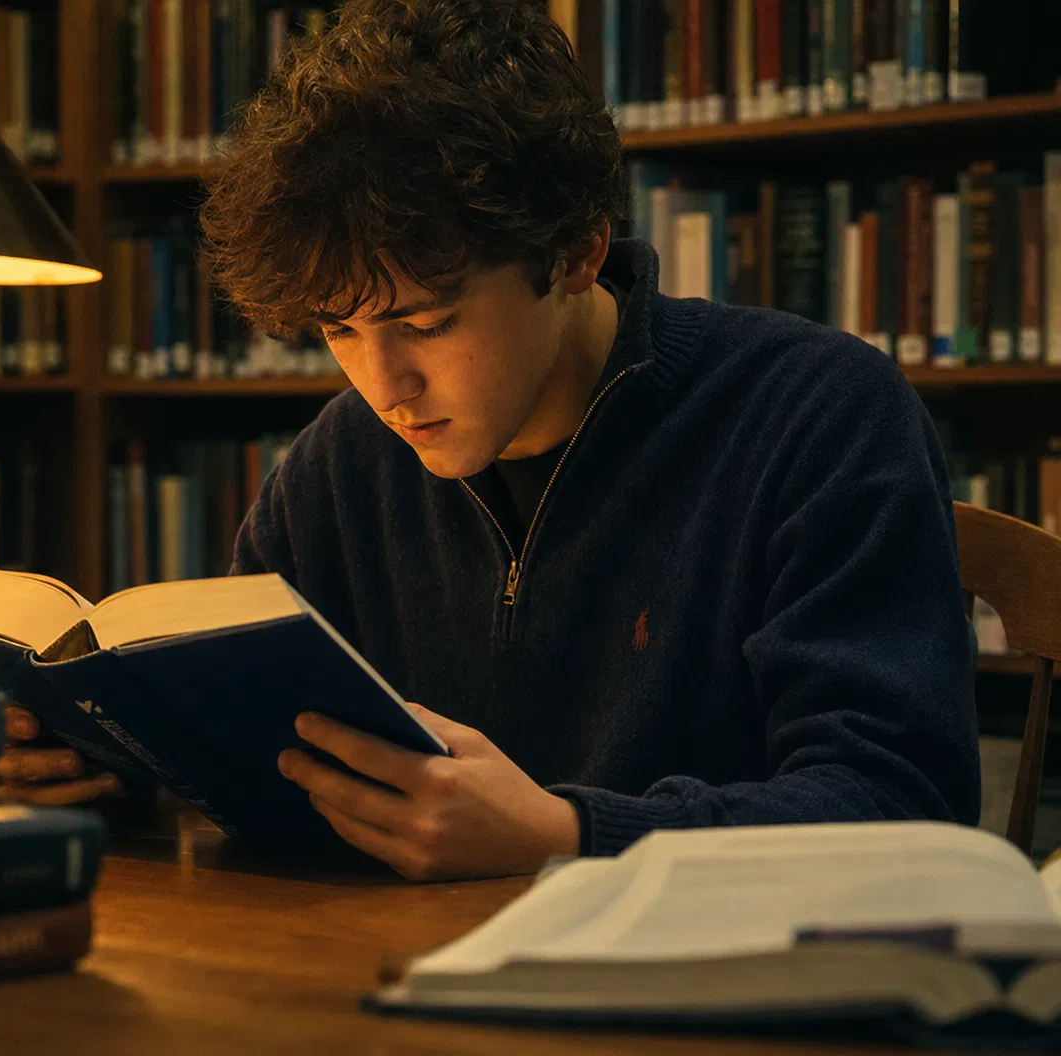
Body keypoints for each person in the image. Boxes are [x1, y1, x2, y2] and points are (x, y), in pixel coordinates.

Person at [187, 0, 979, 882]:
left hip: (717, 994)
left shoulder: (816, 415)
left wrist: (571, 835)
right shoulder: (341, 466)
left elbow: (902, 802)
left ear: (575, 255)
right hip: (403, 977)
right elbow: (239, 743)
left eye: (430, 323)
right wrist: (98, 764)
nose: (384, 388)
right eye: (339, 332)